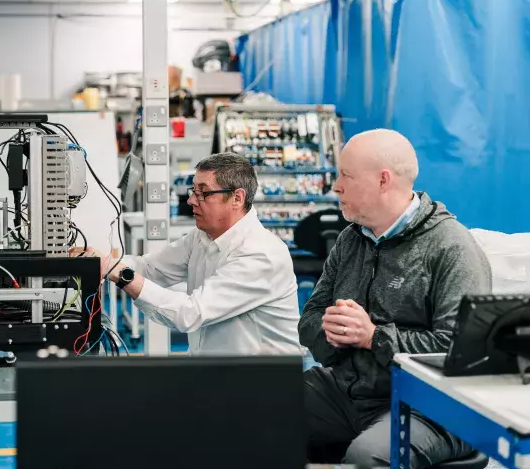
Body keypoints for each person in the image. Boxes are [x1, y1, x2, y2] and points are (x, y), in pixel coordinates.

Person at [299, 129, 492, 468]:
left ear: (383, 180)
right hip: (348, 392)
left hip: (430, 405)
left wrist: (373, 336)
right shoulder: (351, 239)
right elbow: (311, 317)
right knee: (258, 408)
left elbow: (460, 354)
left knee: (367, 457)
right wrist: (333, 332)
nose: (336, 186)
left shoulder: (452, 249)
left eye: (346, 175)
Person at [79, 152, 302, 355]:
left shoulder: (261, 255)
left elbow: (190, 313)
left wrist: (120, 273)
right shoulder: (202, 237)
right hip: (214, 372)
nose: (191, 200)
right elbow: (150, 269)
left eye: (203, 193)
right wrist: (99, 262)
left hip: (261, 385)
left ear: (237, 198)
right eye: (193, 191)